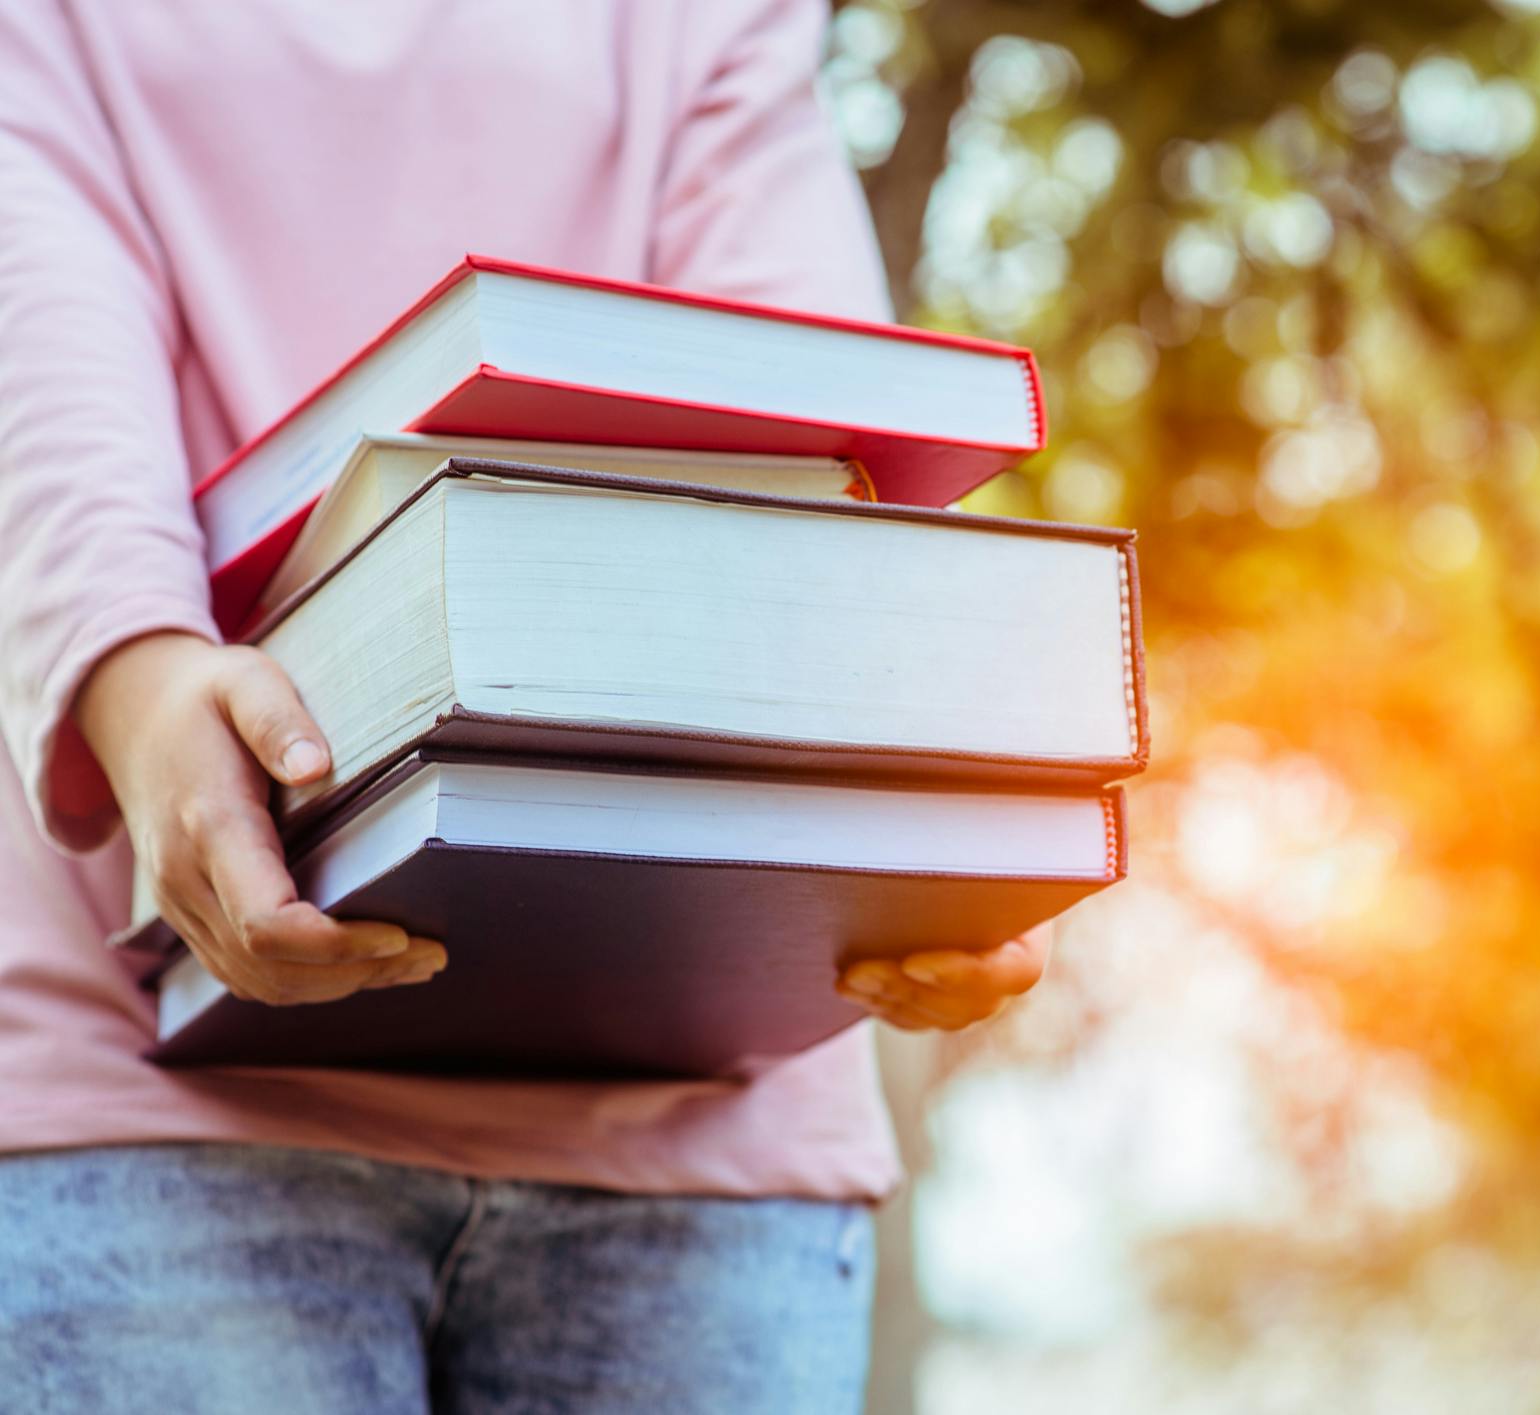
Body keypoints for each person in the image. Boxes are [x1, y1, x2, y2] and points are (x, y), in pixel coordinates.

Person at [0, 3, 1048, 1409]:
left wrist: (921, 811)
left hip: (706, 1150)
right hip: (148, 1096)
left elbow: (804, 436)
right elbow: (39, 352)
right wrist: (133, 680)